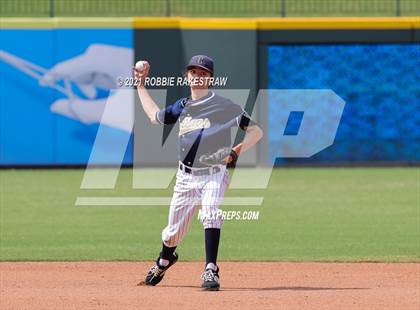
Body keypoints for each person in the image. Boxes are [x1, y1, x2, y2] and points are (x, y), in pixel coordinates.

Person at [135, 55, 263, 291]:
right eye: (194, 72)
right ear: (187, 76)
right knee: (172, 234)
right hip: (185, 177)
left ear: (211, 79)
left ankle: (210, 269)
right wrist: (141, 85)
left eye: (203, 73)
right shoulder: (181, 107)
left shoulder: (225, 106)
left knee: (211, 213)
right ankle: (164, 260)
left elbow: (256, 131)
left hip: (214, 173)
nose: (198, 76)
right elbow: (153, 117)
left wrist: (235, 151)